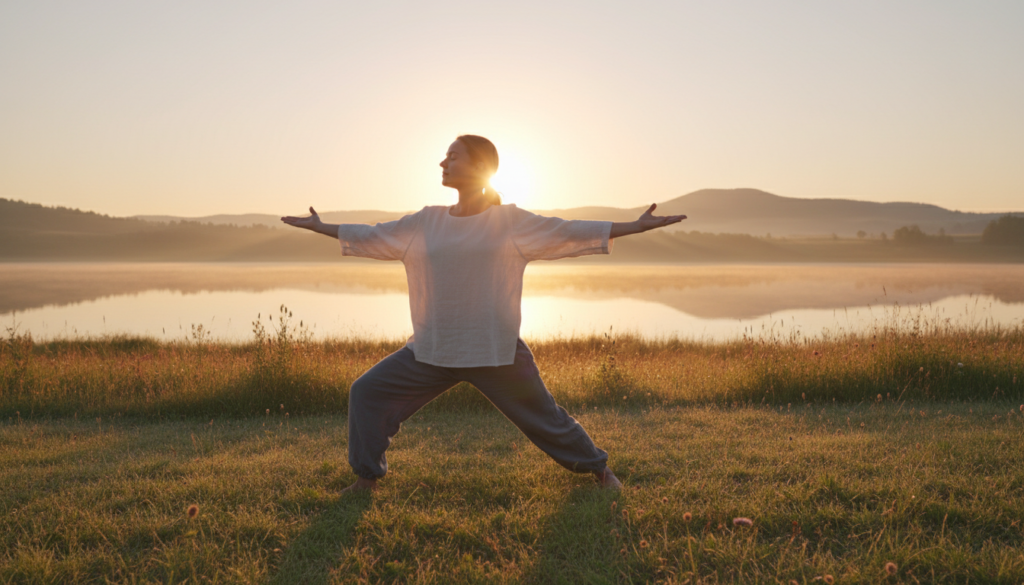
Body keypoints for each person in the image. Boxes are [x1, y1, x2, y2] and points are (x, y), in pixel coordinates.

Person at [281, 135, 686, 492]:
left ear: (480, 167)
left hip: (494, 350)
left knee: (546, 420)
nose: (443, 163)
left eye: (452, 156)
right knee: (366, 392)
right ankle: (366, 478)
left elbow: (567, 230)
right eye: (444, 156)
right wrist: (322, 227)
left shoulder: (508, 221)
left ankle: (600, 471)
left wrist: (634, 226)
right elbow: (373, 234)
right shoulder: (428, 221)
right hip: (432, 349)